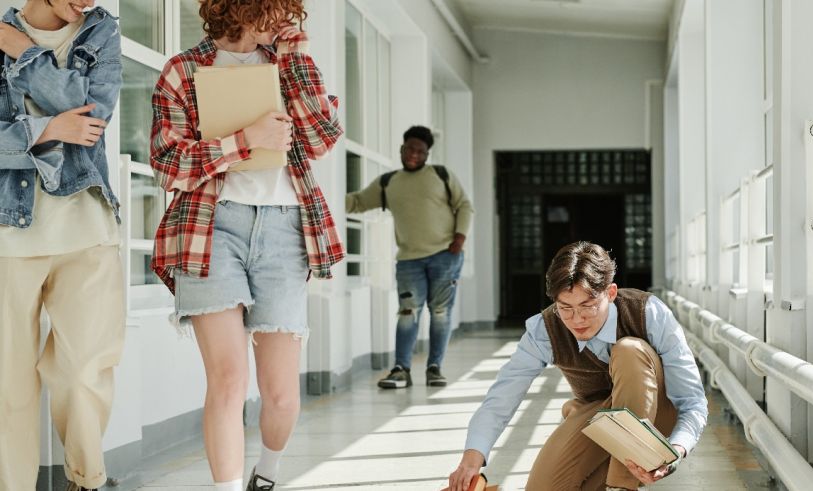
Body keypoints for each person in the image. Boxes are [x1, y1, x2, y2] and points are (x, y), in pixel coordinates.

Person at [148, 1, 343, 489]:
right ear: (242, 7)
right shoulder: (183, 70)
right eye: (275, 10)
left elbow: (321, 139)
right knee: (229, 380)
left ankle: (267, 475)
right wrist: (244, 139)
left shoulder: (290, 64)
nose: (284, 22)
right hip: (208, 228)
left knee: (280, 397)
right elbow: (168, 163)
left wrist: (294, 59)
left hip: (285, 229)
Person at [447, 241, 708, 491]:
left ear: (611, 293)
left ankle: (621, 485)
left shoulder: (648, 312)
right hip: (596, 414)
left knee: (629, 350)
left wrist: (676, 450)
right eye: (565, 308)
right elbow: (502, 396)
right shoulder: (544, 329)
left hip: (659, 418)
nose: (577, 319)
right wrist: (472, 458)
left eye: (588, 306)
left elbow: (692, 401)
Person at [0, 1, 123, 490]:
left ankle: (87, 481)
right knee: (8, 384)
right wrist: (47, 129)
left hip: (88, 228)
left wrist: (25, 53)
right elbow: (69, 114)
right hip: (9, 233)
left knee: (83, 374)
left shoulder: (102, 31)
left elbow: (94, 114)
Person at [346, 125, 473, 389]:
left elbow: (464, 205)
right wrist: (324, 197)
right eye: (409, 149)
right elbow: (357, 202)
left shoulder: (440, 175)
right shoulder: (389, 182)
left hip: (445, 256)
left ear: (427, 154)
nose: (414, 154)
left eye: (420, 150)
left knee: (439, 313)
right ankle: (401, 369)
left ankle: (434, 368)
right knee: (407, 313)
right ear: (401, 150)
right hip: (408, 261)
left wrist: (459, 239)